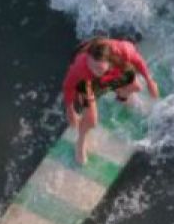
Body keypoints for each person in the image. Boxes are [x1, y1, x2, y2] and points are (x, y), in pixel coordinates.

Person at [62, 35, 160, 165]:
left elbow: (138, 61)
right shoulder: (80, 66)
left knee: (136, 86)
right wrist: (70, 109)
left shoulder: (123, 50)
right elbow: (68, 86)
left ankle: (121, 97)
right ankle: (80, 143)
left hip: (110, 71)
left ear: (109, 61)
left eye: (99, 68)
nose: (95, 71)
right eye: (92, 66)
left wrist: (149, 80)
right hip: (85, 82)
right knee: (91, 120)